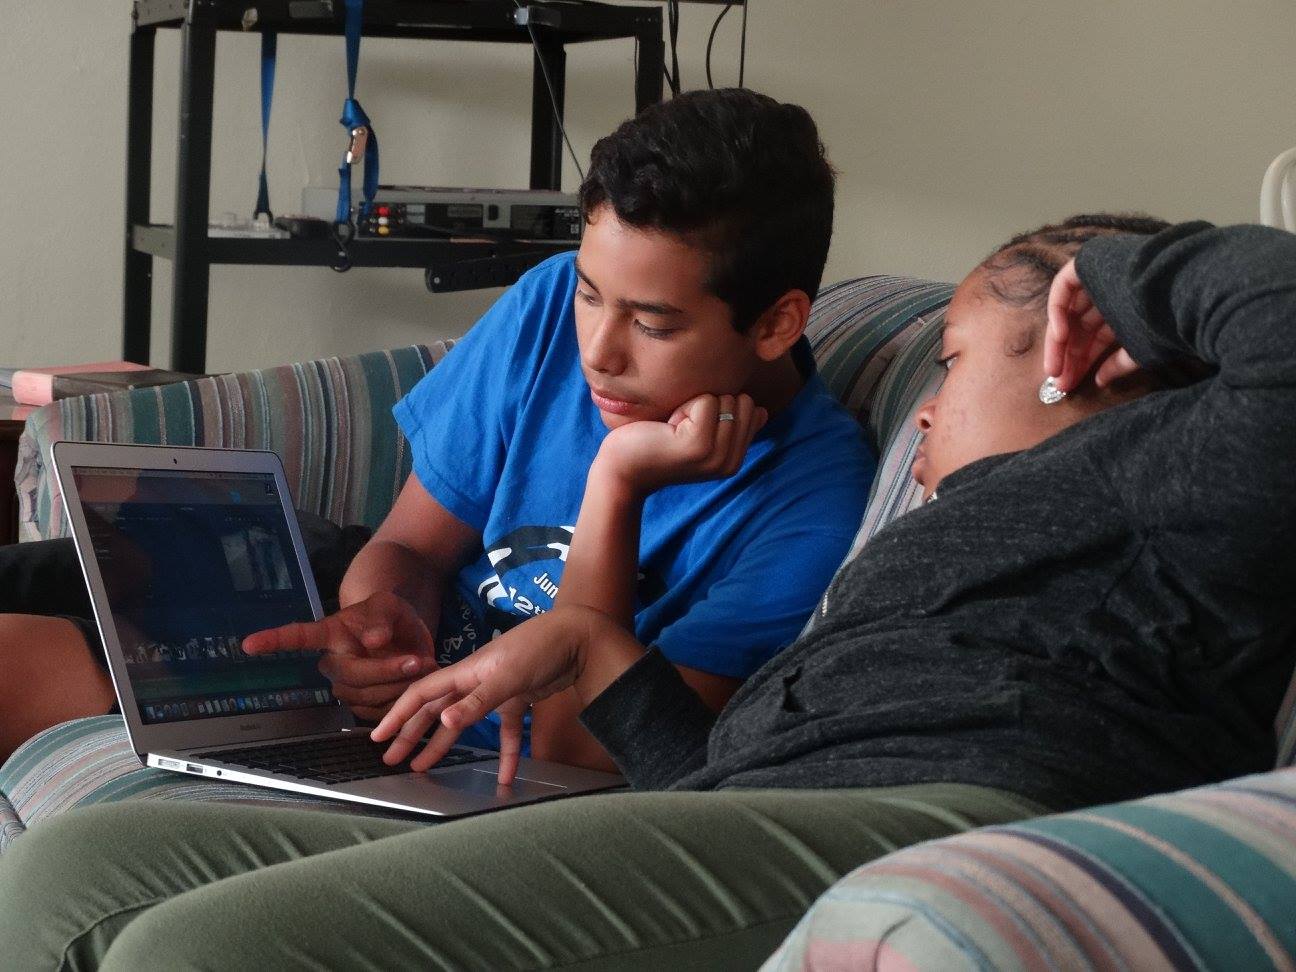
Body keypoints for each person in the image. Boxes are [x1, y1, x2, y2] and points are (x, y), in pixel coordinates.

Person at [4, 217, 1290, 969]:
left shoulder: (1174, 472)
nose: (927, 407)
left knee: (197, 954)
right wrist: (588, 641)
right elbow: (709, 785)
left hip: (951, 823)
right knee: (79, 871)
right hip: (764, 807)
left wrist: (1125, 269)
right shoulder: (959, 527)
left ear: (1085, 354)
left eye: (953, 362)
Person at [0, 88, 874, 765]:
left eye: (652, 325)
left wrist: (618, 480)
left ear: (776, 323)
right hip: (357, 639)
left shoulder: (812, 506)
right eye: (591, 294)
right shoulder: (546, 308)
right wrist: (383, 621)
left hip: (459, 748)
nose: (597, 353)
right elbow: (409, 546)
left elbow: (580, 748)